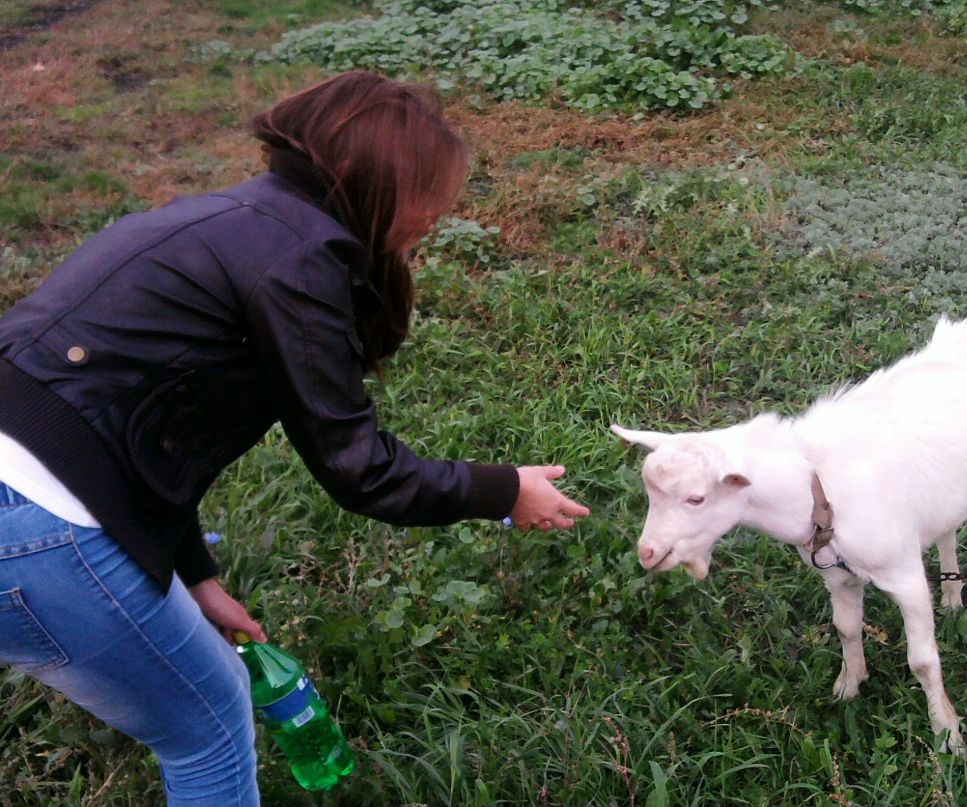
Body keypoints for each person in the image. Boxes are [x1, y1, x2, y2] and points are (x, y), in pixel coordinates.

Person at [0, 70, 589, 806]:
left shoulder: (230, 218)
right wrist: (504, 489)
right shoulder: (300, 258)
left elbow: (130, 426)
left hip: (31, 495)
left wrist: (194, 574)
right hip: (41, 527)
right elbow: (360, 469)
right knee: (210, 725)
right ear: (377, 179)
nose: (437, 216)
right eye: (428, 194)